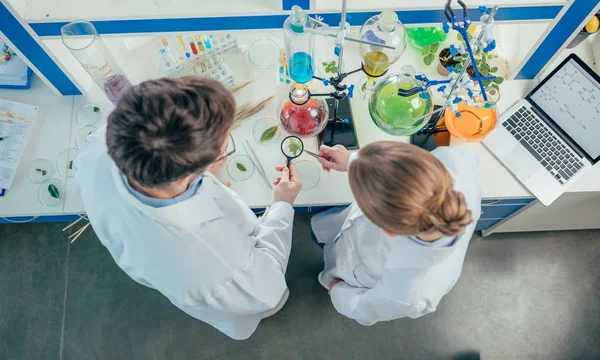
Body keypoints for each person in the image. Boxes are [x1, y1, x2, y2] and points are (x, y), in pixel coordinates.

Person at [75, 76, 302, 340]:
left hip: (149, 255)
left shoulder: (101, 145)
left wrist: (203, 174)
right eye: (223, 148)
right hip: (242, 294)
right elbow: (268, 288)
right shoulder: (212, 261)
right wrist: (282, 206)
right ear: (187, 174)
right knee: (271, 303)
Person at [311, 142, 481, 326]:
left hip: (357, 272)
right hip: (355, 236)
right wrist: (354, 161)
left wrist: (338, 292)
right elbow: (401, 174)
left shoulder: (411, 293)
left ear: (387, 230)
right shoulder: (456, 165)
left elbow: (364, 306)